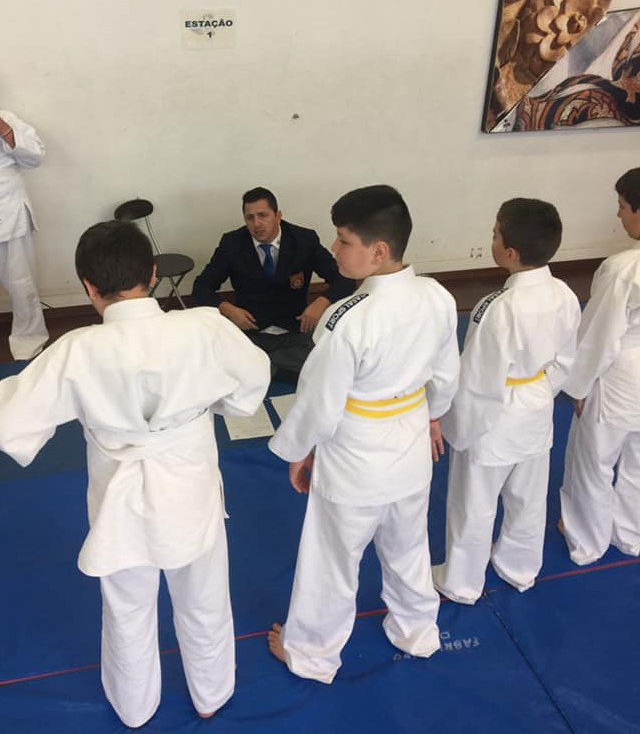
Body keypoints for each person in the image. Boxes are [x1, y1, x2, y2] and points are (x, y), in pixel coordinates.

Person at [0, 220, 270, 727]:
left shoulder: (76, 350)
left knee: (127, 608)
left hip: (117, 501)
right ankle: (211, 694)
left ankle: (135, 707)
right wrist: (206, 402)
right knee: (205, 598)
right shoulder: (204, 327)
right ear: (153, 272)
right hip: (191, 488)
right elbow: (251, 385)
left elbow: (10, 420)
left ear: (88, 286)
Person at [266, 185, 460, 684]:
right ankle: (417, 630)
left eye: (344, 240)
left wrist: (299, 450)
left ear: (378, 251)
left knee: (332, 560)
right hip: (411, 445)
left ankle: (312, 653)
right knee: (409, 547)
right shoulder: (437, 297)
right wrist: (432, 415)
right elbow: (445, 375)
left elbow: (318, 401)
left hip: (355, 458)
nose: (334, 249)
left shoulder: (346, 318)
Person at [432, 199, 580, 605]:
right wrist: (539, 391)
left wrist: (456, 428)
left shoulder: (496, 307)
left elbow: (477, 378)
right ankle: (520, 566)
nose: (492, 238)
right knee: (528, 498)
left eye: (495, 234)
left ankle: (461, 581)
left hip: (493, 416)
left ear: (510, 252)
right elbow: (566, 360)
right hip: (537, 404)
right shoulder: (565, 294)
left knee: (474, 504)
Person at [559, 168, 640, 565]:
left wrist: (579, 385)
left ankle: (587, 539)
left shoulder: (624, 268)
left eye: (623, 207)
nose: (619, 215)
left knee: (594, 459)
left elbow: (600, 334)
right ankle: (630, 534)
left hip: (620, 373)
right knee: (638, 462)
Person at [191, 186, 355, 375]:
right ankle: (273, 364)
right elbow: (201, 287)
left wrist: (322, 301)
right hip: (251, 332)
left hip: (295, 330)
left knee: (329, 359)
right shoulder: (232, 243)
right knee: (214, 360)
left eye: (263, 215)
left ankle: (264, 364)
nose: (257, 224)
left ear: (278, 216)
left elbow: (345, 279)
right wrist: (228, 309)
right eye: (250, 218)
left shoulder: (304, 240)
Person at [0, 108, 48, 360]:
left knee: (21, 284)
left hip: (9, 213)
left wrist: (4, 129)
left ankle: (29, 342)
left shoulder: (6, 118)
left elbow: (35, 156)